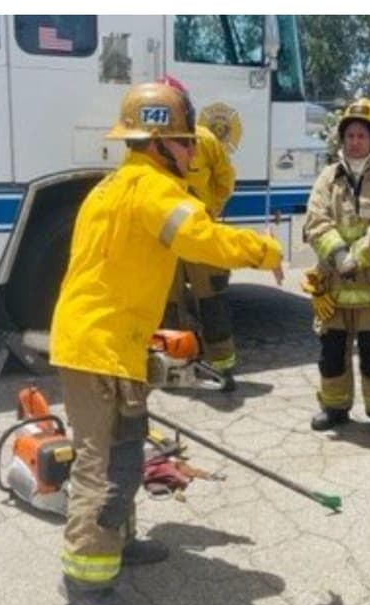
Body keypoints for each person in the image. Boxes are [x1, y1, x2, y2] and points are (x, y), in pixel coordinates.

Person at [49, 82, 283, 605]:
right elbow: (204, 239)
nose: (192, 153)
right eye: (185, 142)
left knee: (123, 451)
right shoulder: (155, 191)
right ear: (161, 143)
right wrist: (266, 249)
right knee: (102, 464)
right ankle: (87, 579)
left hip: (100, 344)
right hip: (101, 350)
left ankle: (117, 542)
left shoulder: (109, 187)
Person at [304, 98, 370, 439]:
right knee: (332, 353)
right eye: (349, 135)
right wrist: (337, 256)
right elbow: (316, 221)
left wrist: (356, 258)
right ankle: (334, 407)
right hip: (333, 286)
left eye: (362, 135)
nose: (354, 141)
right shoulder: (327, 178)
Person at [156, 76, 241, 387]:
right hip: (166, 241)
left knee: (213, 299)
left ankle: (222, 365)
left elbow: (224, 179)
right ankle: (174, 366)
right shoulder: (150, 145)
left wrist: (211, 210)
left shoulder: (204, 140)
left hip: (202, 236)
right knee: (169, 305)